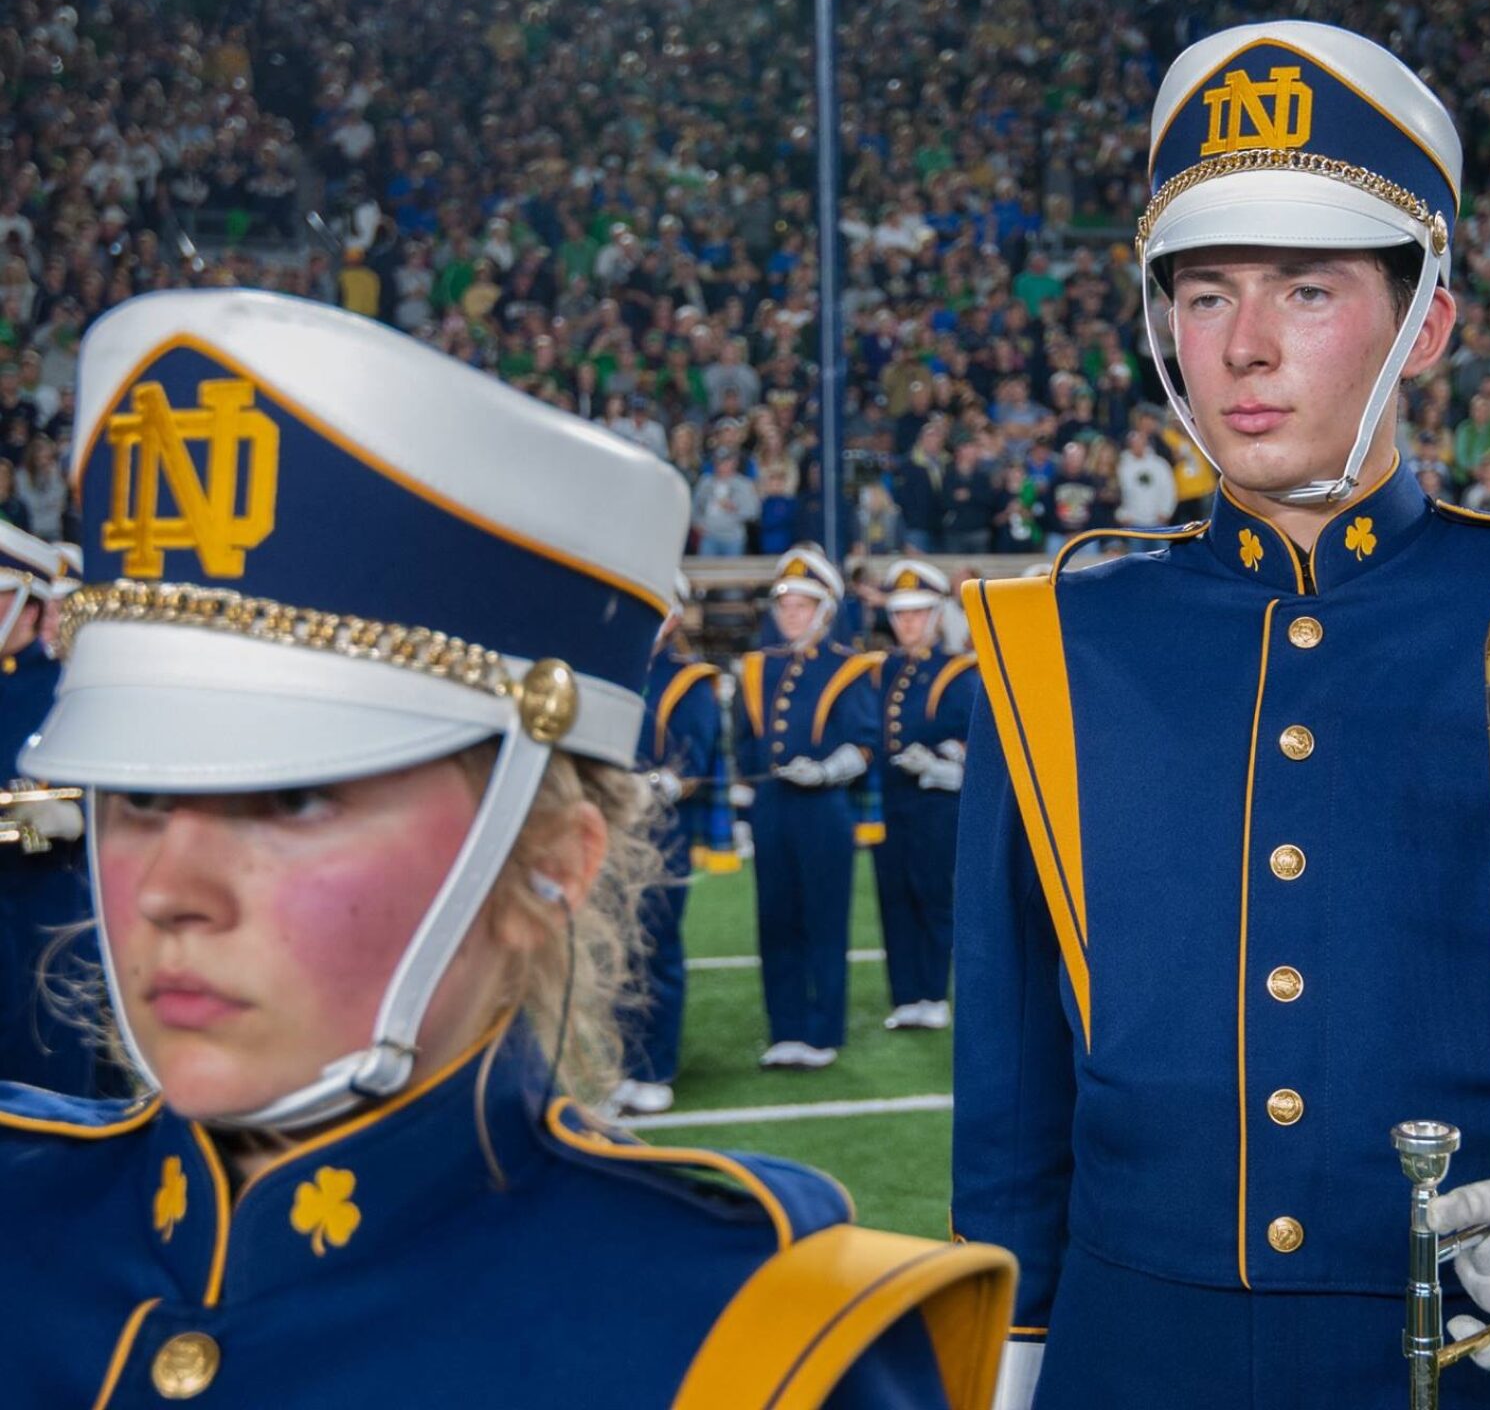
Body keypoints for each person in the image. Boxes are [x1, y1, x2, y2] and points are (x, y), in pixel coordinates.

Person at [952, 22, 1490, 1410]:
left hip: (1468, 1362)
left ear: (1426, 324)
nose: (1247, 348)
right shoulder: (1051, 642)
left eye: (1310, 291)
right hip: (1127, 1360)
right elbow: (1015, 1098)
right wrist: (1013, 1360)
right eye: (1205, 296)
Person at [0, 290, 1013, 1405]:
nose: (170, 894)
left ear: (554, 864)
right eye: (138, 792)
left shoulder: (749, 1343)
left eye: (291, 798)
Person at [733, 548, 880, 1068]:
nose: (790, 614)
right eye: (785, 605)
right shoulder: (756, 668)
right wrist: (743, 809)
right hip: (772, 808)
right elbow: (746, 747)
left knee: (823, 918)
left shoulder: (849, 667)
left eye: (802, 605)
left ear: (823, 610)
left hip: (823, 809)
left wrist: (824, 771)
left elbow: (864, 743)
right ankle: (786, 1027)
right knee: (775, 918)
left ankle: (822, 1031)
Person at [608, 572, 728, 1119]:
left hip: (662, 831)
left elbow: (697, 762)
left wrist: (656, 784)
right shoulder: (611, 670)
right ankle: (617, 1067)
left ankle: (655, 1068)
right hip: (609, 830)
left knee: (655, 946)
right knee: (612, 951)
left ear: (674, 617)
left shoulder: (690, 681)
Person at [0, 521, 96, 1093]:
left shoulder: (65, 689)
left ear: (25, 604)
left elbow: (68, 816)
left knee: (47, 1081)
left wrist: (13, 823)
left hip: (46, 913)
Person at [874, 561, 978, 1032]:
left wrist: (938, 764)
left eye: (917, 613)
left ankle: (934, 992)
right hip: (890, 801)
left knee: (932, 895)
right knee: (892, 896)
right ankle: (905, 994)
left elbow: (975, 744)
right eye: (900, 614)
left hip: (936, 803)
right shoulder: (883, 669)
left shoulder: (959, 672)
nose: (907, 623)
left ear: (936, 615)